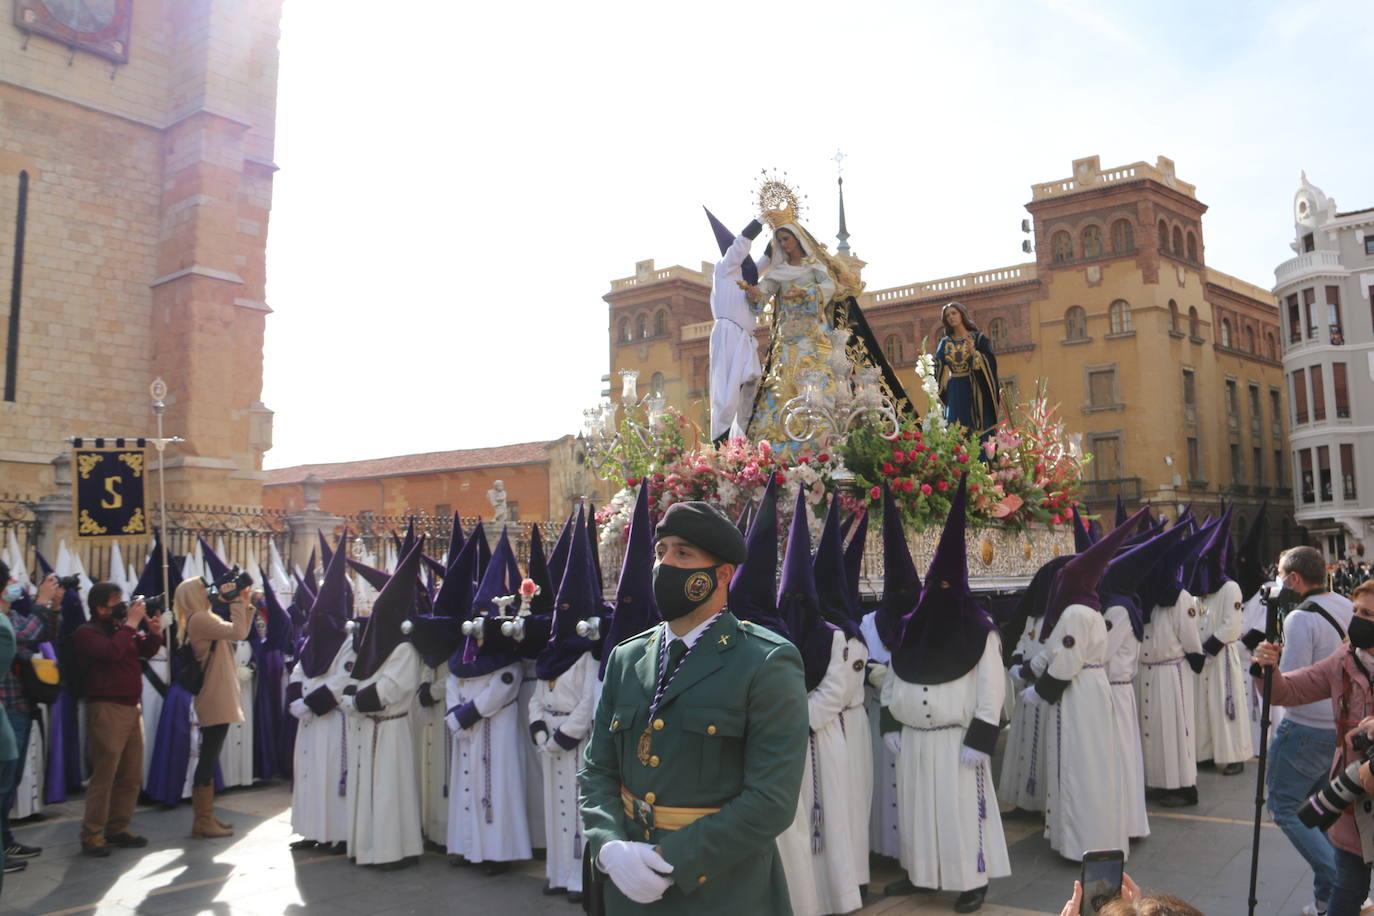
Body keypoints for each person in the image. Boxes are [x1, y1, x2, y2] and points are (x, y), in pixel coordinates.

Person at [580, 499, 809, 913]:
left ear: (721, 575)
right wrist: (610, 844)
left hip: (718, 888)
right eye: (660, 551)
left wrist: (672, 861)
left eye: (682, 553)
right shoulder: (627, 658)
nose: (664, 564)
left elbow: (771, 802)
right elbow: (598, 769)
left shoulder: (764, 662)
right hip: (626, 882)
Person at [881, 476, 1009, 912]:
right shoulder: (911, 628)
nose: (940, 597)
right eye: (935, 588)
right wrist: (889, 724)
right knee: (916, 814)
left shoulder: (981, 633)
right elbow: (892, 678)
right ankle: (919, 873)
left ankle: (971, 882)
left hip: (958, 742)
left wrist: (981, 739)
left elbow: (993, 689)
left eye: (948, 589)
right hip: (914, 739)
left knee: (958, 815)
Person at [773, 489, 862, 916]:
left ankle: (835, 897)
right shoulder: (769, 635)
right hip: (783, 745)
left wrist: (796, 720)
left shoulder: (833, 635)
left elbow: (834, 690)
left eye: (800, 600)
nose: (794, 608)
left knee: (830, 821)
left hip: (820, 739)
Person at [1253, 546, 1354, 916]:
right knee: (1321, 812)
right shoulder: (1344, 604)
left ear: (1295, 578)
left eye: (1281, 575)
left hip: (1306, 729)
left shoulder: (1298, 619)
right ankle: (1328, 901)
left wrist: (1268, 663)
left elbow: (1290, 684)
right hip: (1338, 727)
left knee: (1284, 807)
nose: (1278, 582)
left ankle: (1341, 883)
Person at [446, 529, 532, 873]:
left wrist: (467, 714)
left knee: (496, 786)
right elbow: (454, 678)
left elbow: (503, 687)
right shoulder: (464, 653)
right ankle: (466, 846)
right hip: (467, 730)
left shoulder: (507, 657)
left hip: (494, 729)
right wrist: (454, 712)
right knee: (466, 783)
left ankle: (498, 852)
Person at [529, 511, 599, 903]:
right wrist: (539, 729)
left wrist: (565, 736)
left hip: (575, 742)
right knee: (554, 810)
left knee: (578, 812)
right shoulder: (548, 655)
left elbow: (588, 701)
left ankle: (578, 878)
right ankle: (557, 872)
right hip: (550, 742)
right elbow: (536, 698)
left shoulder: (588, 656)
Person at [343, 540, 425, 869]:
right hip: (370, 727)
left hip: (391, 728)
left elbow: (389, 690)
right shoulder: (377, 645)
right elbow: (359, 676)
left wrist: (354, 701)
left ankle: (394, 850)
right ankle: (367, 847)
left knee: (391, 791)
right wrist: (352, 696)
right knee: (370, 791)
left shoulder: (405, 649)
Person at [72, 582, 163, 856]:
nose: (122, 608)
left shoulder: (120, 630)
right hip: (106, 708)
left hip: (130, 707)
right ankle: (92, 834)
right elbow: (111, 653)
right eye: (115, 603)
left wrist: (155, 634)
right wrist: (131, 625)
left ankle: (118, 827)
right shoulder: (86, 634)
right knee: (105, 775)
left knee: (130, 773)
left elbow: (143, 652)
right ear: (100, 608)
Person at [286, 535, 355, 854]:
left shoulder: (349, 642)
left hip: (331, 720)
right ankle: (310, 829)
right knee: (309, 773)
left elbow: (344, 678)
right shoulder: (311, 641)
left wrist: (313, 704)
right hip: (308, 720)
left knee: (331, 774)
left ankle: (336, 833)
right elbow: (299, 669)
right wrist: (296, 700)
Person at [175, 573, 252, 838]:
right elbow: (239, 631)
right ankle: (203, 820)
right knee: (208, 755)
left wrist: (242, 600)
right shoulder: (199, 620)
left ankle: (206, 817)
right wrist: (235, 602)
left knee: (211, 753)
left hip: (216, 693)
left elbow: (240, 630)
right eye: (202, 588)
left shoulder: (201, 618)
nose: (208, 590)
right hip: (214, 695)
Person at [0, 563, 60, 867]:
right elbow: (29, 631)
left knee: (8, 783)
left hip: (19, 705)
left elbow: (41, 633)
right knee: (3, 782)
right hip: (8, 708)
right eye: (10, 580)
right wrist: (40, 601)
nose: (15, 583)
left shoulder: (9, 615)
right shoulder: (3, 621)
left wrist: (54, 605)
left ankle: (5, 841)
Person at [704, 209, 770, 442]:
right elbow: (741, 246)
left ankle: (742, 442)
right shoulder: (724, 269)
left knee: (749, 388)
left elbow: (765, 262)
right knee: (726, 395)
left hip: (745, 339)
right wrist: (761, 220)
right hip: (728, 335)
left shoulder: (747, 275)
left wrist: (782, 227)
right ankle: (721, 442)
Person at [933, 301, 1000, 443]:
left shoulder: (978, 339)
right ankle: (959, 461)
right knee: (955, 427)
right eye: (947, 315)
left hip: (974, 390)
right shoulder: (944, 343)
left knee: (976, 425)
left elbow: (991, 362)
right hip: (954, 390)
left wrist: (975, 353)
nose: (951, 317)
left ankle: (984, 462)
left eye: (954, 313)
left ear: (962, 314)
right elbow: (937, 366)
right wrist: (925, 362)